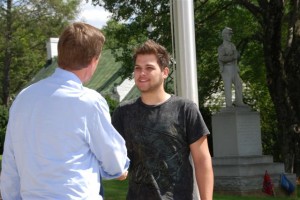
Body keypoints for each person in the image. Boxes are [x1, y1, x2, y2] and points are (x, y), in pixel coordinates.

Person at [0, 22, 129, 200]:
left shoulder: (24, 97)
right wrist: (119, 168)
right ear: (94, 61)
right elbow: (113, 160)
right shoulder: (89, 102)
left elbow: (10, 163)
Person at [112, 40, 214, 200]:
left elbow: (202, 160)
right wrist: (116, 169)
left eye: (149, 68)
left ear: (165, 72)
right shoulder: (123, 113)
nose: (142, 73)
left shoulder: (185, 109)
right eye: (138, 68)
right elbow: (114, 156)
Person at [218, 27, 246, 107]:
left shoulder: (232, 45)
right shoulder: (221, 47)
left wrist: (236, 60)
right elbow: (222, 58)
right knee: (228, 86)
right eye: (229, 34)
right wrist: (232, 57)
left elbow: (236, 55)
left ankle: (239, 101)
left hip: (234, 68)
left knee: (239, 84)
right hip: (226, 69)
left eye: (231, 34)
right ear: (224, 35)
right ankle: (229, 104)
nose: (231, 36)